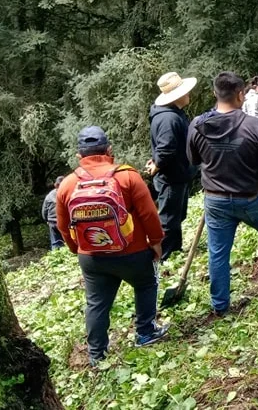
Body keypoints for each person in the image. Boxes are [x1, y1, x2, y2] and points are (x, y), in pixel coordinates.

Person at [56, 126, 168, 366]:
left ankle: (97, 355)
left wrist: (76, 249)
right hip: (132, 251)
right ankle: (145, 332)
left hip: (92, 257)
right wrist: (156, 242)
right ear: (109, 151)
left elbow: (63, 226)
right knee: (146, 283)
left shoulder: (67, 185)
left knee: (96, 303)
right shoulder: (127, 176)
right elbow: (149, 214)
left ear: (79, 156)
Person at [188, 72, 258, 316]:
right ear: (241, 94)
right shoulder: (256, 126)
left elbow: (193, 160)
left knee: (218, 252)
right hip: (249, 196)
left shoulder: (197, 125)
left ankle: (220, 306)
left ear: (215, 93)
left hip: (215, 199)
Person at [148, 72, 197, 261]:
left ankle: (175, 250)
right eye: (186, 92)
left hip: (178, 174)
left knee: (177, 215)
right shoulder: (169, 118)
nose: (189, 94)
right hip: (171, 176)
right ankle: (163, 257)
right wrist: (158, 164)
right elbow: (166, 148)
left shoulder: (173, 114)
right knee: (168, 219)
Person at [42, 176, 65, 250]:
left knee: (55, 243)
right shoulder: (66, 194)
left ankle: (55, 257)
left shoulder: (49, 195)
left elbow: (44, 210)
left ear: (56, 185)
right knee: (66, 241)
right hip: (63, 221)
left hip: (52, 221)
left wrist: (46, 220)